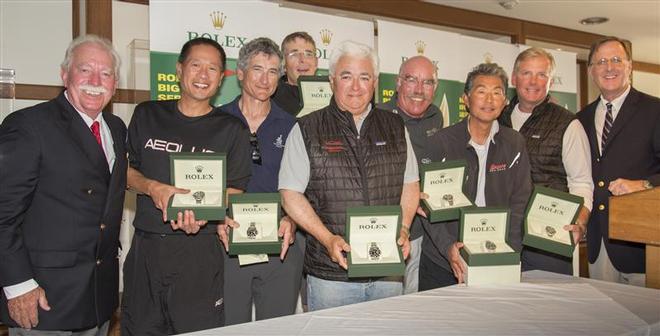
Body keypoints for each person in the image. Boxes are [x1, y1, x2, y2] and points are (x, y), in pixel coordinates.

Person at [121, 37, 252, 335]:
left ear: (221, 79)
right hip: (148, 249)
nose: (203, 75)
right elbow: (125, 173)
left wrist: (208, 211)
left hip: (201, 254)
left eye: (213, 69)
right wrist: (152, 187)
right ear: (179, 70)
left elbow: (236, 189)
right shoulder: (147, 113)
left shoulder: (232, 129)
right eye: (196, 65)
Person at [279, 40, 419, 311]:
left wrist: (403, 227)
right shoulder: (307, 128)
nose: (356, 87)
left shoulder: (395, 126)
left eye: (364, 77)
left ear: (375, 82)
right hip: (332, 276)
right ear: (332, 81)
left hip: (387, 273)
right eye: (346, 76)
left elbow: (410, 184)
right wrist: (327, 238)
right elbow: (289, 194)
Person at [0, 34, 126, 335]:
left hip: (98, 295)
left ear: (115, 83)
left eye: (106, 73)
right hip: (44, 298)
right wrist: (18, 285)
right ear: (64, 74)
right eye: (85, 70)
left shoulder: (117, 129)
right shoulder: (29, 126)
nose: (96, 79)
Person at [419, 63, 533, 289]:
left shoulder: (515, 143)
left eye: (497, 92)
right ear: (466, 99)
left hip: (495, 255)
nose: (489, 100)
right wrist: (448, 247)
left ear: (505, 101)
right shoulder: (441, 142)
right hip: (443, 260)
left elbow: (520, 202)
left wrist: (509, 252)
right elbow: (426, 205)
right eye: (481, 91)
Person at [217, 37, 302, 325]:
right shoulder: (217, 121)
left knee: (278, 327)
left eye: (273, 72)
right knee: (229, 326)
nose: (265, 80)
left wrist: (292, 218)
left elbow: (305, 184)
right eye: (257, 69)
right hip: (227, 241)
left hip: (281, 243)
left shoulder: (292, 127)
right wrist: (216, 218)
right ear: (240, 73)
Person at [499, 47, 593, 275]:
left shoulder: (568, 124)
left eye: (542, 74)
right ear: (513, 78)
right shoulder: (496, 119)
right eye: (526, 73)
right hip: (501, 234)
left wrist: (580, 220)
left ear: (551, 81)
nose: (533, 81)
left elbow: (581, 182)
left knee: (550, 307)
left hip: (548, 236)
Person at [577, 36, 660, 286]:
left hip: (643, 243)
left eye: (616, 60)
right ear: (591, 71)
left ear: (629, 66)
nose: (609, 67)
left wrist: (644, 185)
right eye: (601, 61)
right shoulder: (580, 119)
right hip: (599, 244)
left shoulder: (655, 110)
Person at [376, 55, 443, 294]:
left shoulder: (436, 116)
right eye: (411, 80)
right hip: (389, 232)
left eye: (427, 82)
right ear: (398, 83)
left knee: (412, 303)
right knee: (385, 307)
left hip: (423, 234)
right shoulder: (378, 117)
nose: (419, 90)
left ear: (435, 88)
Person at [272, 32, 319, 116]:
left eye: (308, 54)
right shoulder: (271, 99)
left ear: (316, 62)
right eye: (294, 54)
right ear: (283, 63)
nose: (302, 59)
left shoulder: (333, 95)